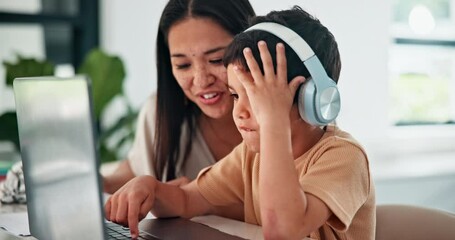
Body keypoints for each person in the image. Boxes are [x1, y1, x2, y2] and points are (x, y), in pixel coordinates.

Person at [105, 6, 376, 240]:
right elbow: (187, 200)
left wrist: (273, 123)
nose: (240, 112)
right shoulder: (250, 157)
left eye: (258, 99)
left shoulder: (343, 158)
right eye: (236, 95)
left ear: (311, 98)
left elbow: (282, 230)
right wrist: (149, 187)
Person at [103, 0, 255, 193]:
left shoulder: (291, 116)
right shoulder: (161, 111)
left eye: (217, 60)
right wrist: (99, 183)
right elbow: (138, 167)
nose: (201, 81)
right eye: (183, 65)